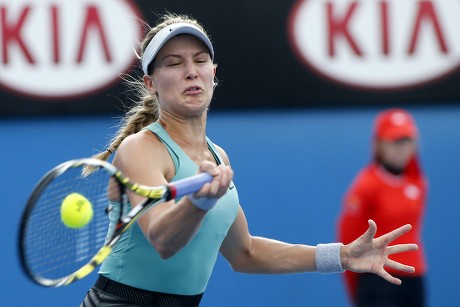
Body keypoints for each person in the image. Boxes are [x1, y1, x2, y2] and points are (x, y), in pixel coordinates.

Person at [81, 14, 418, 307]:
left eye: (199, 61)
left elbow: (245, 253)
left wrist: (341, 256)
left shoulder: (217, 157)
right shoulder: (141, 148)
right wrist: (198, 202)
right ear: (150, 83)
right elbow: (162, 242)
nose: (190, 72)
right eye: (173, 63)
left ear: (213, 73)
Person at [337, 108, 427, 307]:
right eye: (395, 141)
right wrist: (357, 288)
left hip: (414, 277)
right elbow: (347, 240)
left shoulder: (418, 183)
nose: (402, 148)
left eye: (407, 141)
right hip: (378, 278)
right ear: (379, 144)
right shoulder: (365, 185)